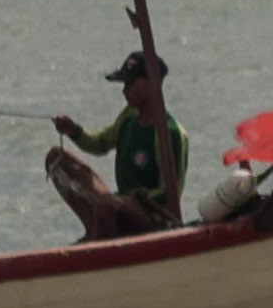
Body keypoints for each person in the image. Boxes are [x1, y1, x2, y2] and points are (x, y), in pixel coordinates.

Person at [48, 51, 184, 241]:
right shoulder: (129, 115)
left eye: (129, 83)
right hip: (120, 203)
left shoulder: (170, 132)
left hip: (152, 217)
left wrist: (139, 197)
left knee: (105, 206)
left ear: (151, 83)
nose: (124, 90)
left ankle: (101, 248)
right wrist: (73, 130)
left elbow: (170, 193)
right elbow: (100, 143)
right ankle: (94, 231)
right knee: (56, 158)